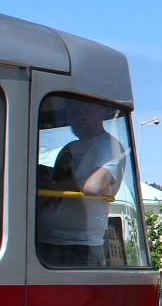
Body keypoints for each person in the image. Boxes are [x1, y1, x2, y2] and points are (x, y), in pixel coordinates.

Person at [38, 99, 126, 266]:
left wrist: (57, 187)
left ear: (101, 113)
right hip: (46, 237)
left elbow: (95, 185)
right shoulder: (70, 148)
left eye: (86, 110)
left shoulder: (109, 146)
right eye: (74, 111)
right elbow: (55, 184)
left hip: (79, 244)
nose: (79, 117)